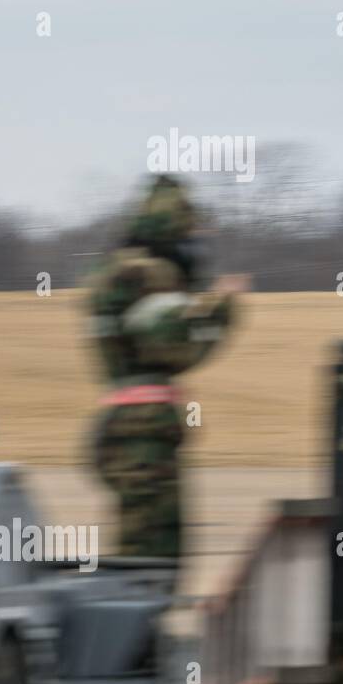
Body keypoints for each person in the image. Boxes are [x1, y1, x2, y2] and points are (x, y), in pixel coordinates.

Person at [88, 174, 246, 566]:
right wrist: (223, 310)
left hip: (125, 423)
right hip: (145, 435)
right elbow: (175, 345)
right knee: (153, 557)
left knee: (139, 547)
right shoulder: (153, 274)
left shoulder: (120, 270)